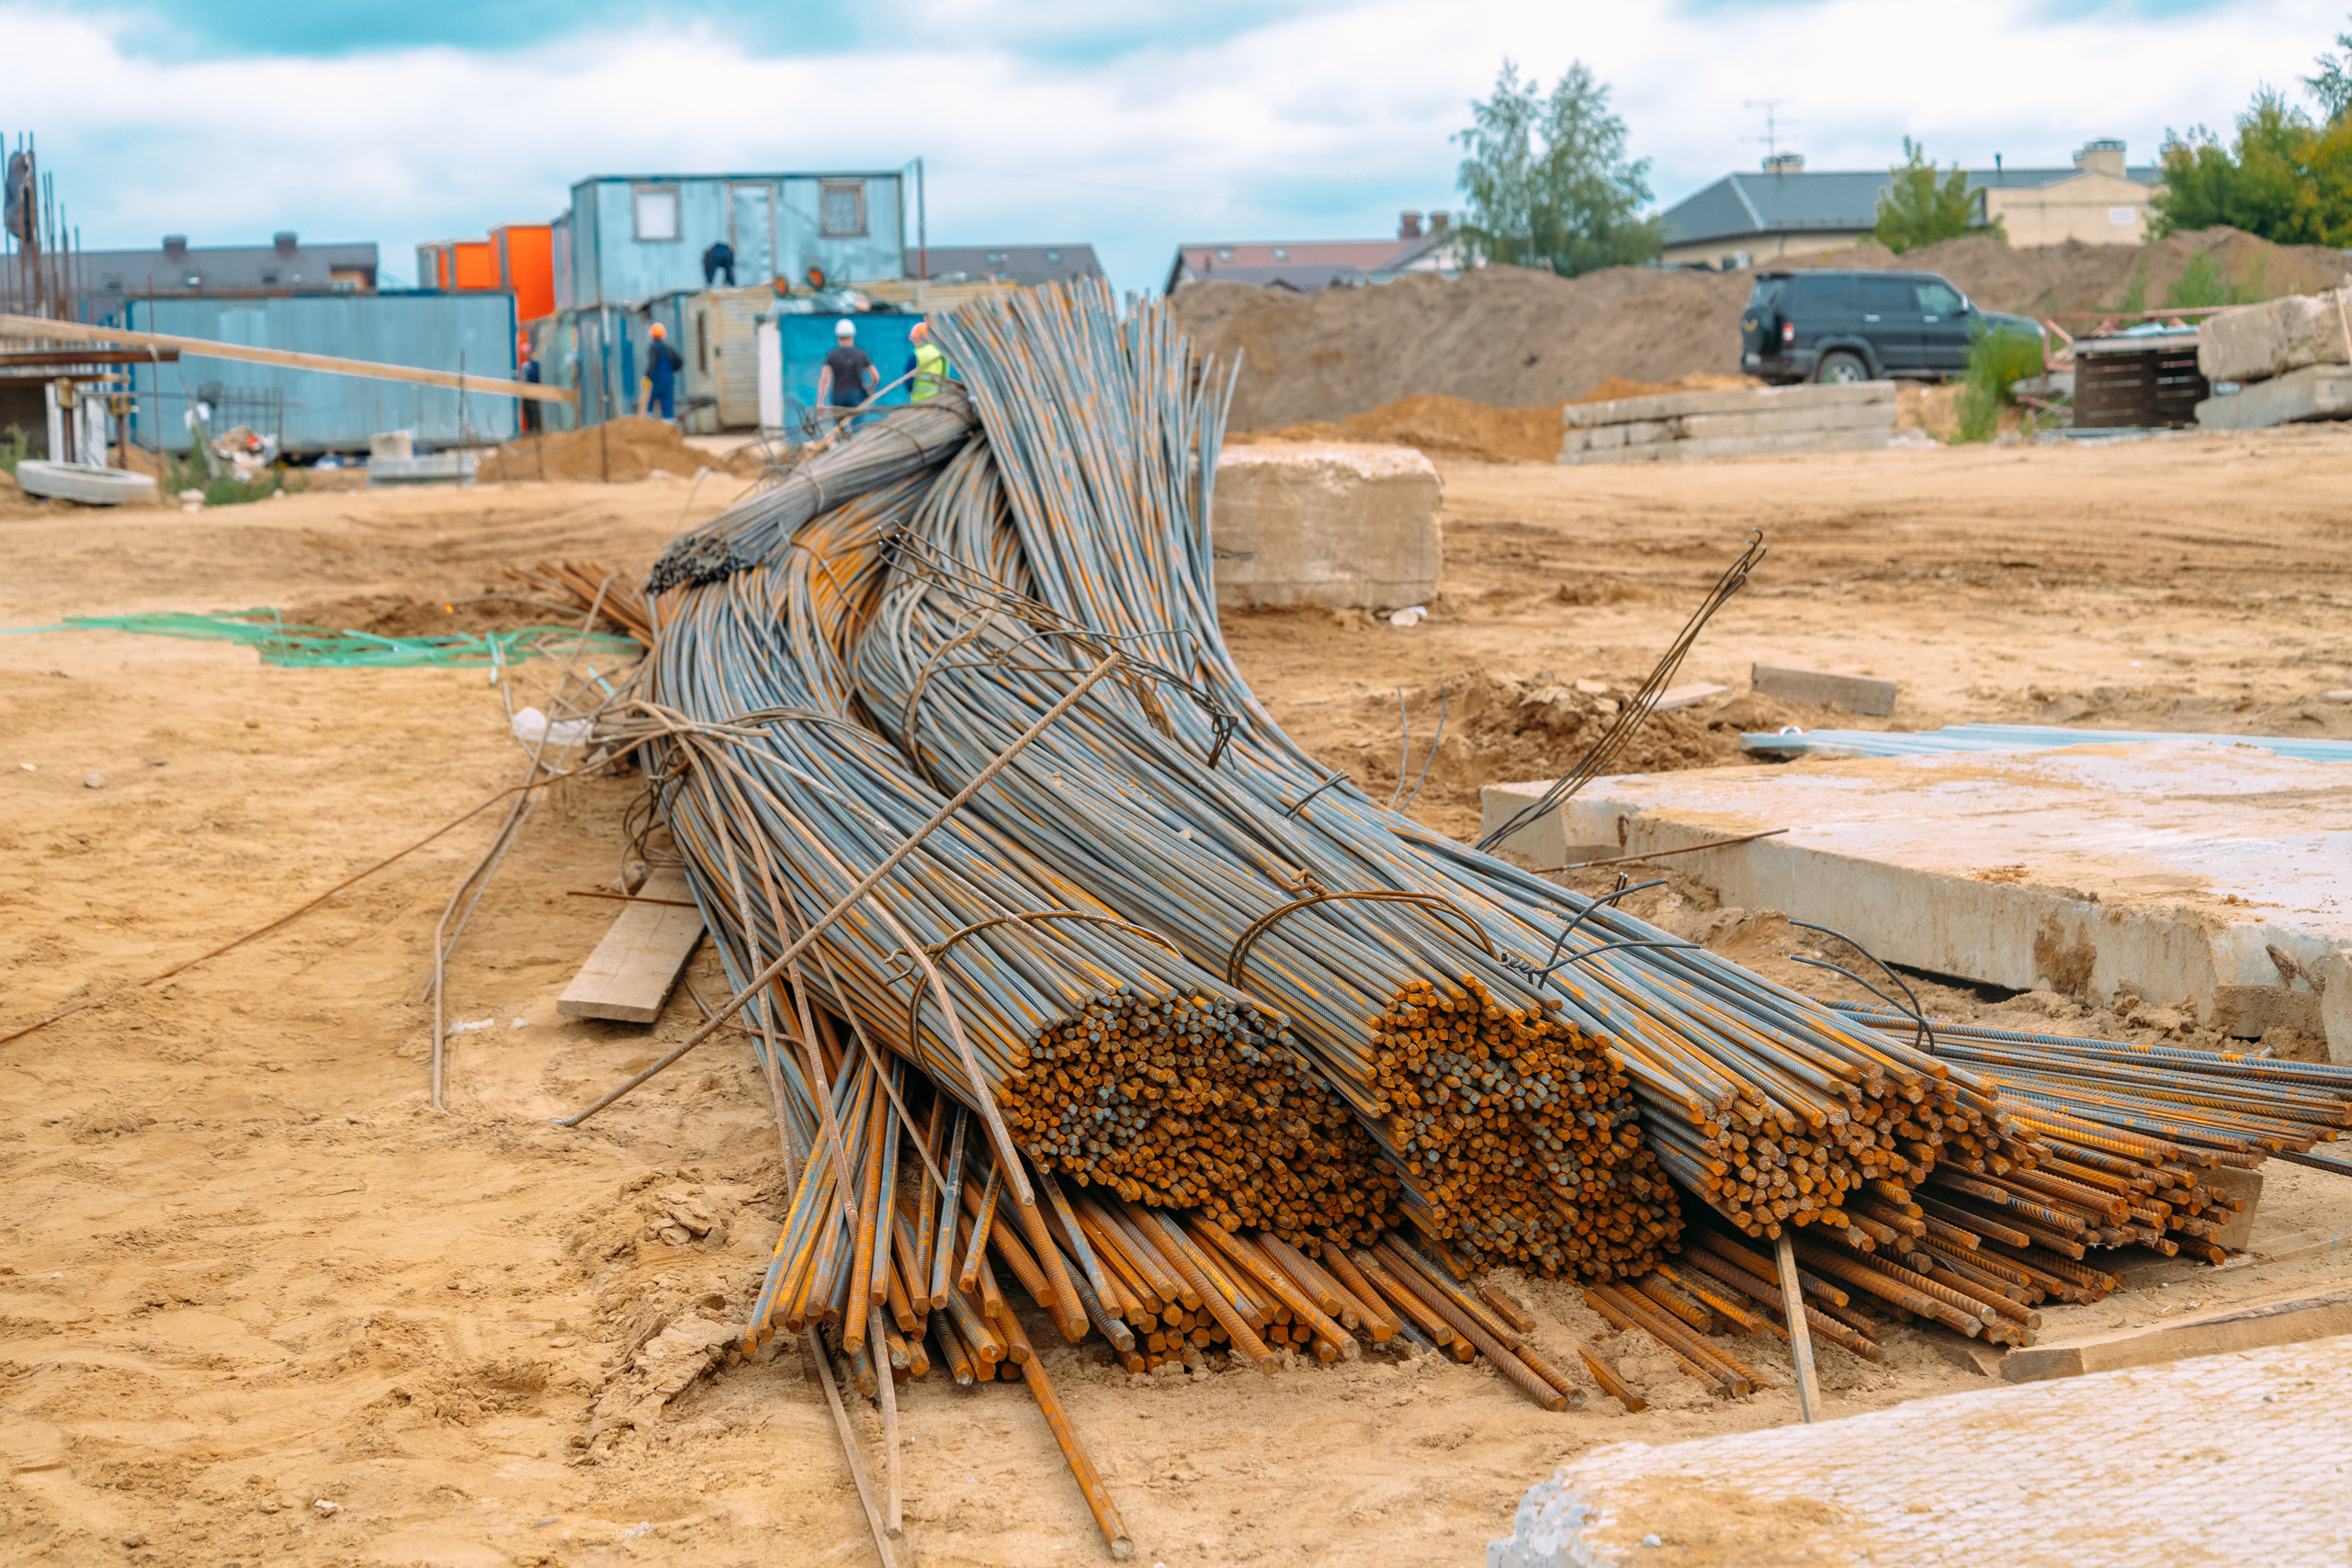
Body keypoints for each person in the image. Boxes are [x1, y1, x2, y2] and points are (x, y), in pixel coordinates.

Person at [814, 319, 875, 416]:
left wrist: (820, 402)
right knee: (857, 428)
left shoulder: (832, 355)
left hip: (838, 397)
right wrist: (870, 391)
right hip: (856, 396)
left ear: (837, 336)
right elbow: (875, 377)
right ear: (853, 335)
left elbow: (825, 379)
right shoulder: (861, 354)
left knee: (840, 429)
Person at [644, 321, 683, 423]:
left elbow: (652, 363)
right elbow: (680, 362)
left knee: (650, 400)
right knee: (667, 404)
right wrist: (671, 371)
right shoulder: (669, 349)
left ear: (652, 336)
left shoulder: (653, 348)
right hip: (668, 380)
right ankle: (669, 427)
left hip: (656, 380)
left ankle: (649, 425)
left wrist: (646, 377)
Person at [906, 320, 950, 403]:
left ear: (919, 338)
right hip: (939, 400)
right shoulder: (940, 353)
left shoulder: (917, 354)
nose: (913, 343)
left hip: (920, 401)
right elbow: (945, 376)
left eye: (914, 340)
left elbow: (909, 381)